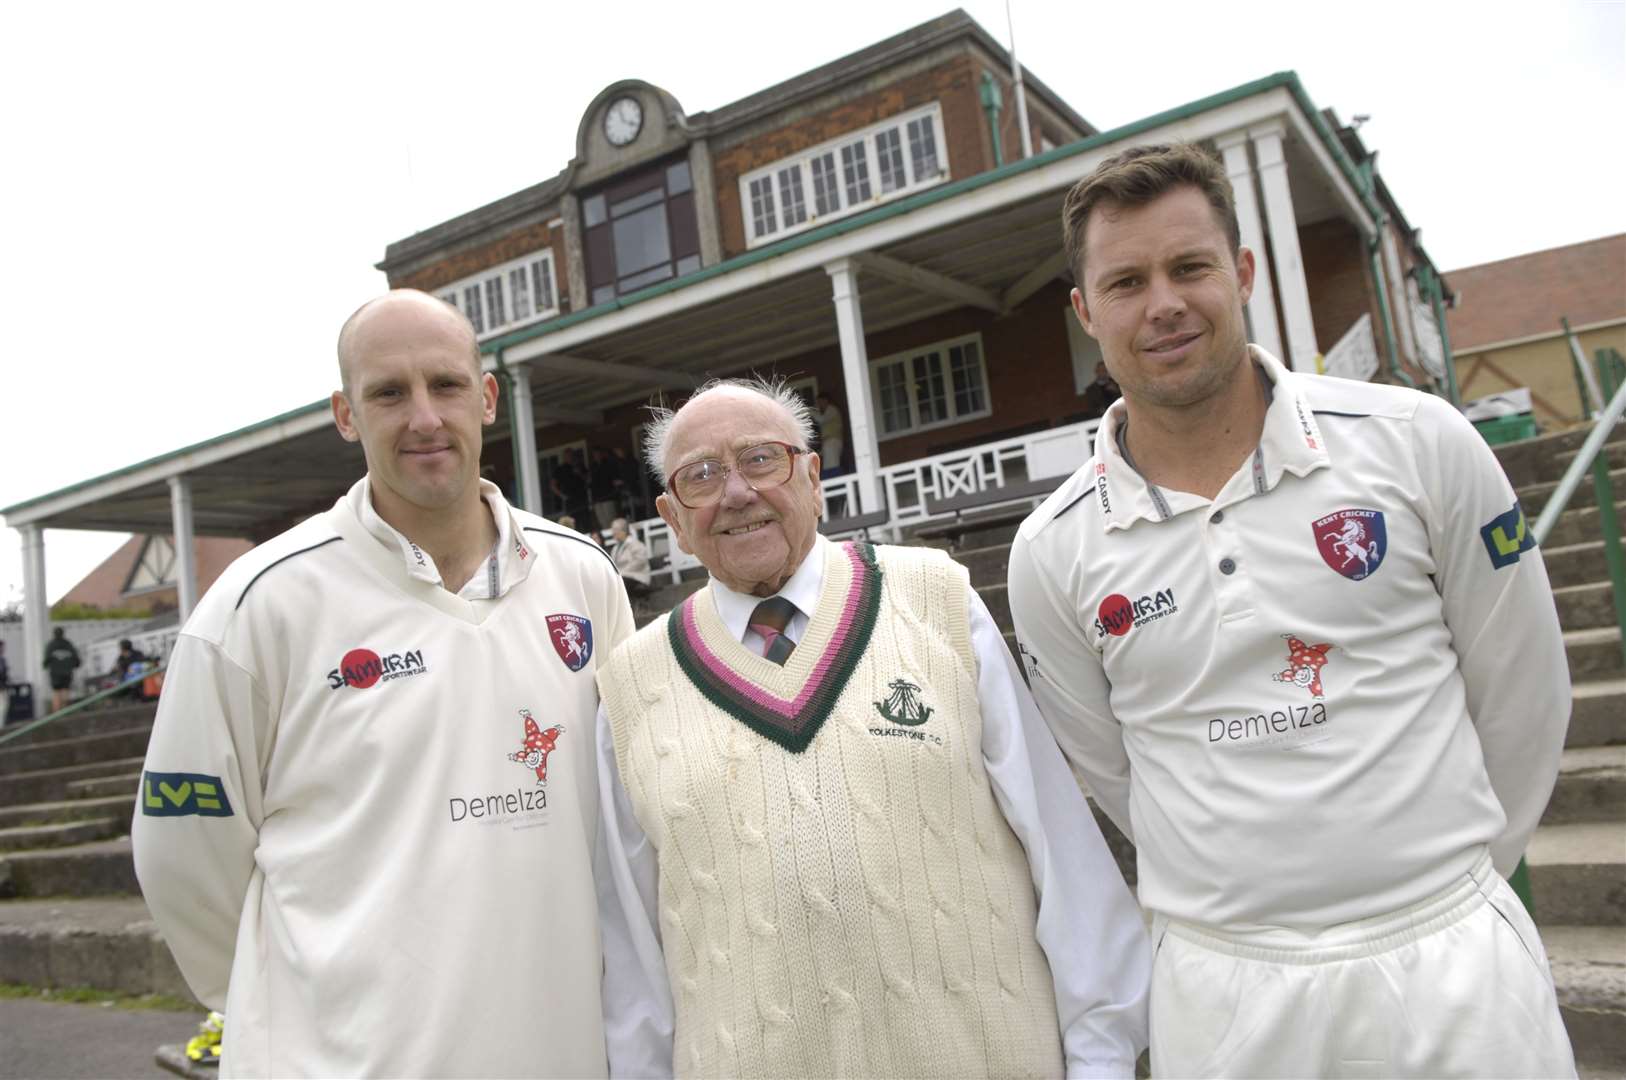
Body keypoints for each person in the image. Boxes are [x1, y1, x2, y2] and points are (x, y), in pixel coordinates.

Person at [1007, 143, 1575, 1078]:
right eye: (1127, 281)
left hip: (1452, 955)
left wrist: (1438, 880)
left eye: (1190, 267)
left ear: (1241, 271)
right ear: (1086, 312)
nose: (1164, 304)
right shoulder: (1053, 550)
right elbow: (1116, 770)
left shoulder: (1416, 441)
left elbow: (1524, 691)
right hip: (1226, 992)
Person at [131, 289, 635, 1078]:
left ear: (488, 398)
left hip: (560, 1049)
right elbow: (183, 862)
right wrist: (309, 996)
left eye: (446, 385)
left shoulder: (583, 577)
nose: (425, 418)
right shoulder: (257, 603)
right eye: (389, 393)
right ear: (345, 414)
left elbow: (623, 807)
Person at [594, 378, 1149, 1078]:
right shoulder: (630, 690)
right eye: (702, 476)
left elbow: (1062, 851)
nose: (736, 492)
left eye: (761, 459)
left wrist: (1101, 1060)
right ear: (673, 518)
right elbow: (636, 967)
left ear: (813, 475)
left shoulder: (938, 600)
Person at [607, 518, 652, 600]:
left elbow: (640, 561)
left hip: (636, 577)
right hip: (622, 577)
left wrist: (622, 572)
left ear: (624, 531)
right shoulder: (615, 548)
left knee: (618, 583)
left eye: (616, 529)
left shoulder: (635, 543)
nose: (613, 532)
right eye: (612, 530)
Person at [42, 627, 81, 713]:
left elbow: (46, 661)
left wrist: (46, 665)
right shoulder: (68, 644)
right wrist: (74, 665)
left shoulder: (51, 645)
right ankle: (64, 711)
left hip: (55, 674)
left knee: (56, 692)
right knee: (65, 691)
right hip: (67, 673)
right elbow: (76, 659)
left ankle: (57, 713)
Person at [814, 391, 845, 473]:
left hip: (833, 441)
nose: (818, 404)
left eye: (819, 402)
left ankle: (837, 484)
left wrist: (810, 412)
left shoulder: (832, 410)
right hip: (828, 443)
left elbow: (821, 420)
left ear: (825, 400)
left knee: (833, 466)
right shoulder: (827, 411)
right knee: (828, 466)